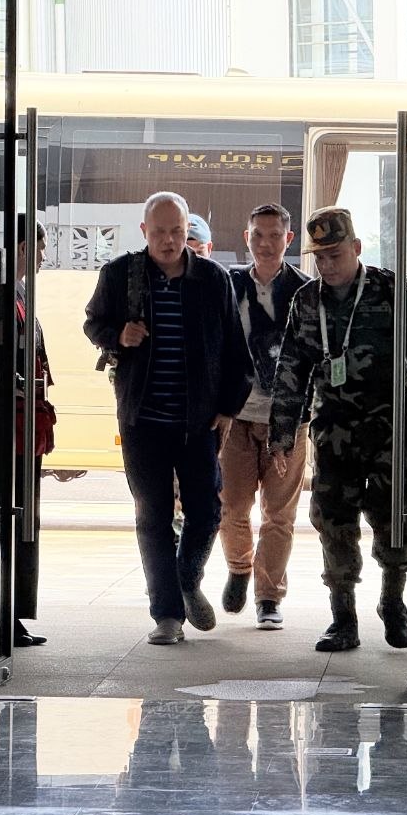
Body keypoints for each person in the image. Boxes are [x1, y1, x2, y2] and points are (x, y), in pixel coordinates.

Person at [83, 191, 254, 645]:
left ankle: (185, 578)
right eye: (159, 232)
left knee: (207, 511)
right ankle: (167, 615)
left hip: (198, 422)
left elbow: (235, 349)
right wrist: (118, 335)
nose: (169, 240)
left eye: (177, 231)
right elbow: (93, 323)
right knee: (153, 516)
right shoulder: (121, 274)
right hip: (143, 421)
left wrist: (228, 407)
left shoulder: (212, 279)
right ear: (144, 231)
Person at [269, 206, 407, 652]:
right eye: (320, 257)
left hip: (391, 427)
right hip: (333, 430)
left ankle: (393, 602)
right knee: (333, 520)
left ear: (356, 248)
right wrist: (282, 434)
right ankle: (343, 617)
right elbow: (291, 369)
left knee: (396, 517)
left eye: (335, 255)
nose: (327, 265)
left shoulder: (392, 290)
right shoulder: (306, 301)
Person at [218, 204, 311, 630]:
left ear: (288, 239)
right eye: (258, 235)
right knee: (232, 506)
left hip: (288, 421)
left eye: (275, 235)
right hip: (236, 417)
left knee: (279, 514)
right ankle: (239, 567)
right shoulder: (230, 285)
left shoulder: (305, 291)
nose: (266, 243)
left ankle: (269, 596)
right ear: (246, 237)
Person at [8, 215, 55, 646]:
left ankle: (14, 615)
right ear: (23, 247)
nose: (43, 256)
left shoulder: (20, 293)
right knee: (16, 520)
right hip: (13, 432)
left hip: (27, 429)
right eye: (40, 248)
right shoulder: (5, 296)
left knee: (26, 520)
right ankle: (9, 615)